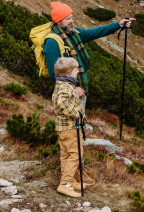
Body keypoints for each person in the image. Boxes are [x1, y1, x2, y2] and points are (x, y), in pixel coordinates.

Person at [44, 2, 134, 114]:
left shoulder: (73, 33)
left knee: (79, 125)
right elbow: (54, 74)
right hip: (68, 94)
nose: (71, 21)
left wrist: (117, 25)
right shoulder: (52, 42)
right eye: (68, 19)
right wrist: (74, 88)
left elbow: (94, 32)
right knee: (70, 127)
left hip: (80, 90)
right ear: (58, 21)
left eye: (71, 18)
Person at [52, 57, 89, 198]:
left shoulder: (61, 84)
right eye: (75, 69)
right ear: (68, 74)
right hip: (70, 127)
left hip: (62, 127)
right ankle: (65, 183)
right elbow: (62, 102)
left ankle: (68, 180)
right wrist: (76, 114)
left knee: (66, 154)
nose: (77, 71)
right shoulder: (67, 86)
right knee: (75, 154)